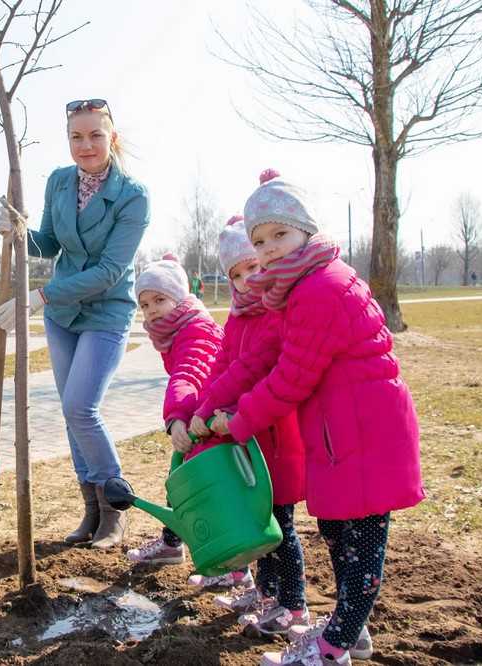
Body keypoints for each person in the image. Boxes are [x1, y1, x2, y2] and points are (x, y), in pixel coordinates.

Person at [209, 169, 424, 665]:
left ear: (307, 231)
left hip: (365, 434)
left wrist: (237, 421)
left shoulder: (321, 288)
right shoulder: (294, 289)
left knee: (361, 541)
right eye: (260, 240)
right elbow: (258, 359)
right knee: (336, 532)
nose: (269, 249)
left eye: (280, 234)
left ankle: (333, 649)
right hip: (338, 434)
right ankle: (353, 633)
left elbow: (291, 378)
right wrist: (210, 408)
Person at [0, 98, 149, 549]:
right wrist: (17, 230)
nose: (86, 145)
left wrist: (38, 297)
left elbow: (107, 272)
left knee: (82, 407)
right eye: (76, 137)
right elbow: (48, 244)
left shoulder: (133, 195)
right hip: (63, 316)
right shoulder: (60, 182)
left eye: (95, 135)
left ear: (111, 137)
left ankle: (116, 507)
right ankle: (91, 510)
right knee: (71, 413)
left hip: (105, 311)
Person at [187, 217, 307, 636]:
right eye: (235, 274)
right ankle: (267, 594)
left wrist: (221, 409)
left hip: (276, 437)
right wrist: (202, 408)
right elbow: (224, 367)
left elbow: (256, 370)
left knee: (278, 525)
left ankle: (293, 605)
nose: (244, 281)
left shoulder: (276, 315)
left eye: (251, 269)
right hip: (242, 437)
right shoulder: (237, 319)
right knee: (254, 520)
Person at [124, 258, 223, 565]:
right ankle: (172, 541)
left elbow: (189, 374)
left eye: (159, 299)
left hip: (212, 422)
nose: (151, 309)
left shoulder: (195, 330)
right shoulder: (177, 330)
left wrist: (176, 416)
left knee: (210, 490)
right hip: (203, 417)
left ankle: (230, 564)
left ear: (180, 297)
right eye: (144, 304)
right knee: (180, 476)